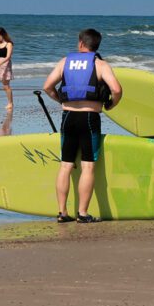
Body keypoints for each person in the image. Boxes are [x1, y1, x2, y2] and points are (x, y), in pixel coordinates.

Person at [42, 28, 123, 224]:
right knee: (88, 165)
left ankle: (62, 212)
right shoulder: (100, 64)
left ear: (80, 43)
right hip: (89, 117)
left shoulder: (65, 62)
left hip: (67, 116)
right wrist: (112, 104)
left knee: (65, 164)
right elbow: (117, 89)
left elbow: (47, 86)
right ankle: (83, 213)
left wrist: (60, 100)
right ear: (96, 45)